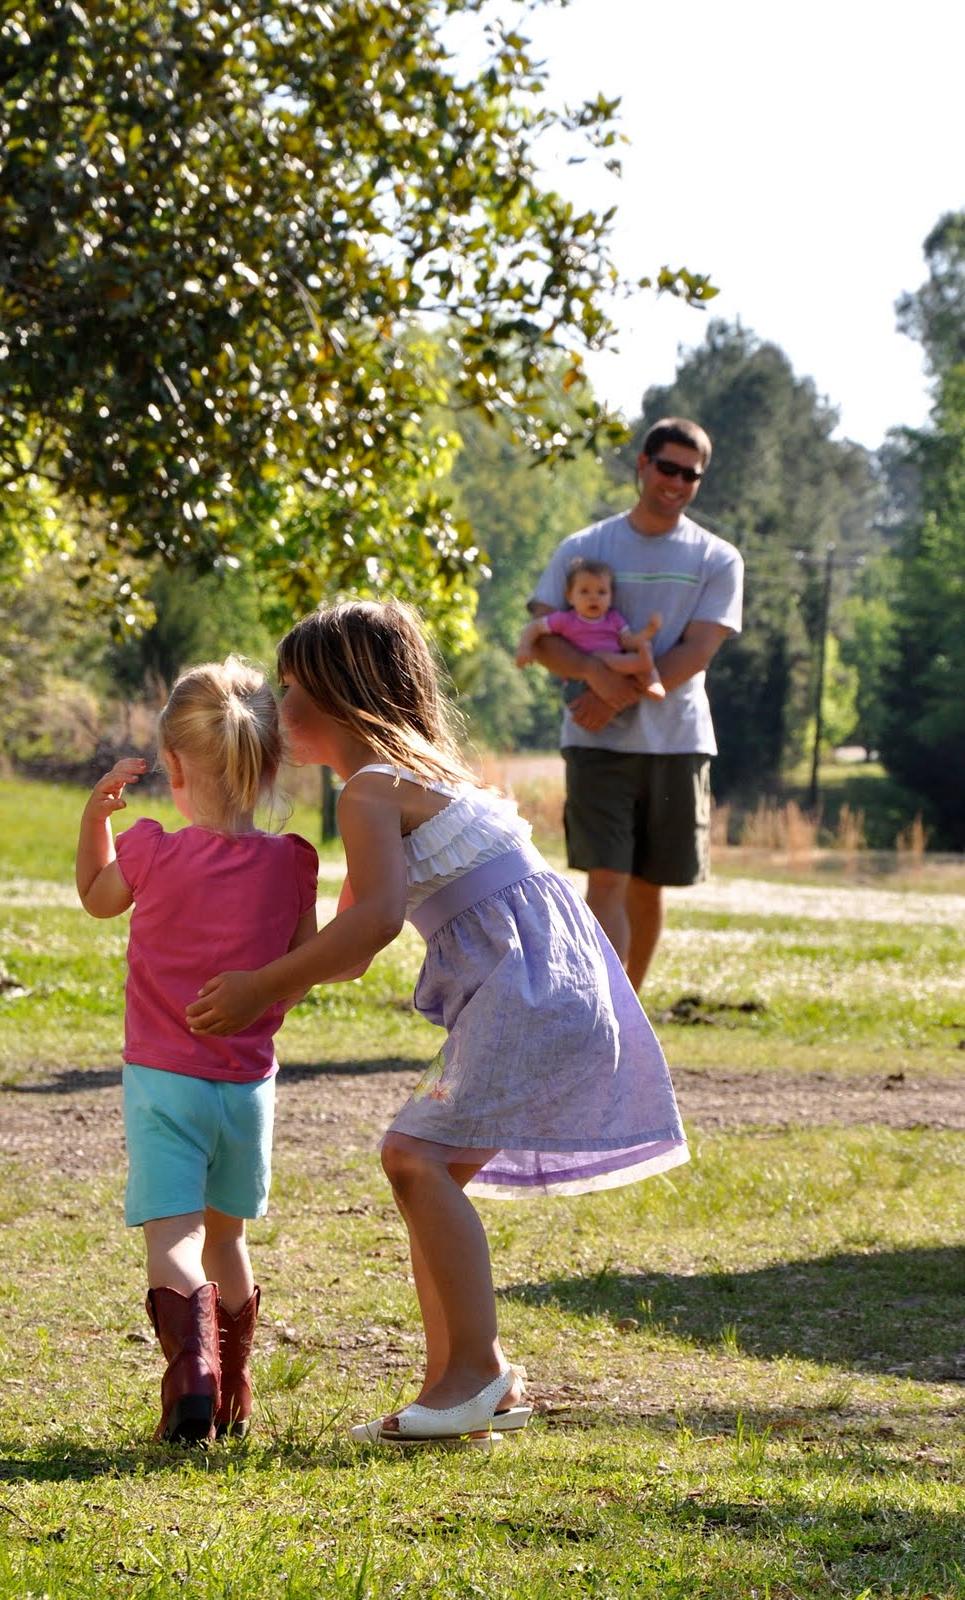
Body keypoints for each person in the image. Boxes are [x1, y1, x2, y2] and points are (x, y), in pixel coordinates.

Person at [186, 600, 689, 1448]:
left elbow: (377, 920)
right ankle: (456, 1385)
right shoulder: (409, 780)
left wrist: (259, 985)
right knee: (427, 1171)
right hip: (550, 987)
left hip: (528, 994)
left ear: (339, 696)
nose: (277, 707)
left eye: (289, 687)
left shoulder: (373, 790)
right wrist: (260, 994)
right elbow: (346, 944)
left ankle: (475, 1373)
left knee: (412, 1157)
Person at [75, 658, 318, 1444]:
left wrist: (96, 818)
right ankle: (235, 1384)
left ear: (173, 765)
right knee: (228, 1237)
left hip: (160, 1085)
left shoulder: (148, 849)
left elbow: (96, 896)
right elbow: (302, 962)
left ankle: (192, 1376)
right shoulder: (292, 862)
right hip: (246, 1087)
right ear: (271, 762)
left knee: (172, 1239)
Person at [528, 416, 743, 989]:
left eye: (691, 474)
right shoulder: (585, 547)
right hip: (595, 741)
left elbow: (698, 649)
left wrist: (614, 697)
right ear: (643, 465)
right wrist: (594, 676)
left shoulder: (717, 558)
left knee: (650, 883)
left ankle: (632, 1014)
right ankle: (601, 1012)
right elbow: (542, 635)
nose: (677, 481)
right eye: (667, 467)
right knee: (607, 876)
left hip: (677, 740)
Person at [515, 557, 665, 700]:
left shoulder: (614, 619)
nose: (593, 598)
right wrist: (524, 647)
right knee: (605, 657)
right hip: (582, 681)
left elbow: (628, 642)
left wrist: (649, 630)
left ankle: (653, 682)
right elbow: (535, 626)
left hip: (619, 672)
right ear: (570, 597)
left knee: (642, 653)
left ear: (611, 597)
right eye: (584, 591)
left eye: (601, 592)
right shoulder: (566, 620)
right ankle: (640, 664)